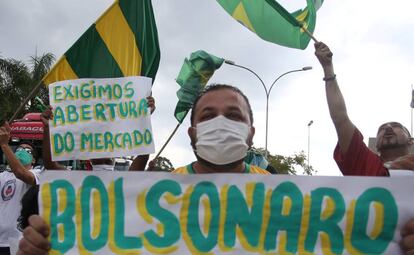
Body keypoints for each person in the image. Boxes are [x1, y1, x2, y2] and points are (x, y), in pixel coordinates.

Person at [315, 41, 414, 176]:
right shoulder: (362, 162)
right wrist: (327, 68)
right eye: (382, 129)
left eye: (396, 126)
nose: (388, 128)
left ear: (411, 140)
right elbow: (340, 117)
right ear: (377, 144)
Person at [173, 84, 269, 174]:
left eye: (234, 115)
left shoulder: (274, 188)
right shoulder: (161, 189)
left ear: (251, 133)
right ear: (192, 134)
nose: (220, 124)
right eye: (208, 116)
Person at [41, 96, 156, 171]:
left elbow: (143, 157)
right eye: (98, 139)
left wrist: (145, 117)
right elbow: (50, 166)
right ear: (89, 156)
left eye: (107, 139)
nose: (103, 144)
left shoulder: (124, 179)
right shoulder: (77, 178)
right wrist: (47, 128)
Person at [0, 123, 42, 255]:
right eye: (19, 149)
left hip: (19, 241)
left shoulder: (37, 174)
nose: (22, 152)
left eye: (27, 151)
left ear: (34, 159)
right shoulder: (2, 176)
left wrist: (5, 145)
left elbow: (21, 173)